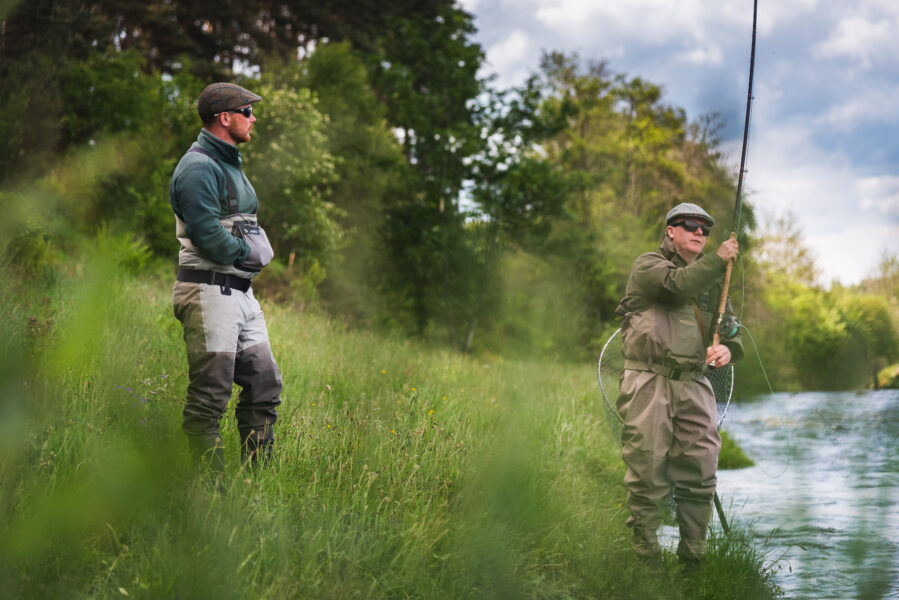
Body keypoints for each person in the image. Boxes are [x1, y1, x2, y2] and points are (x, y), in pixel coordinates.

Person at [614, 202, 742, 567]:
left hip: (695, 383)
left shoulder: (713, 278)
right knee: (647, 470)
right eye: (691, 225)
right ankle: (647, 558)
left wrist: (729, 350)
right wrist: (718, 259)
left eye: (705, 229)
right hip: (649, 379)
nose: (700, 232)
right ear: (671, 231)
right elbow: (676, 287)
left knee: (700, 470)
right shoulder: (649, 266)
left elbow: (732, 327)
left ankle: (693, 562)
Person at [169, 82, 281, 480]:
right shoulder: (199, 167)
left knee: (265, 384)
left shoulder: (229, 162)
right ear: (225, 117)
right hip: (208, 290)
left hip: (240, 294)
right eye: (247, 111)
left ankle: (258, 482)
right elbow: (204, 233)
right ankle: (209, 496)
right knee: (210, 399)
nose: (254, 118)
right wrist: (246, 253)